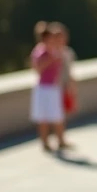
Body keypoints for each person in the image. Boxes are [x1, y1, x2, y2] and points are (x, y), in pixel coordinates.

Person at [29, 22, 66, 152]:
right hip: (43, 88)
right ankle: (45, 142)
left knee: (57, 116)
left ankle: (61, 141)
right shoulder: (39, 52)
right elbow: (37, 69)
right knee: (43, 117)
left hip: (53, 87)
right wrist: (50, 59)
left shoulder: (55, 50)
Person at [53, 22, 77, 145]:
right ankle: (59, 138)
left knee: (63, 113)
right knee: (57, 114)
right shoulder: (51, 54)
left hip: (65, 86)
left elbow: (70, 71)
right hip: (54, 87)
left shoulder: (68, 52)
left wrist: (72, 86)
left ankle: (61, 138)